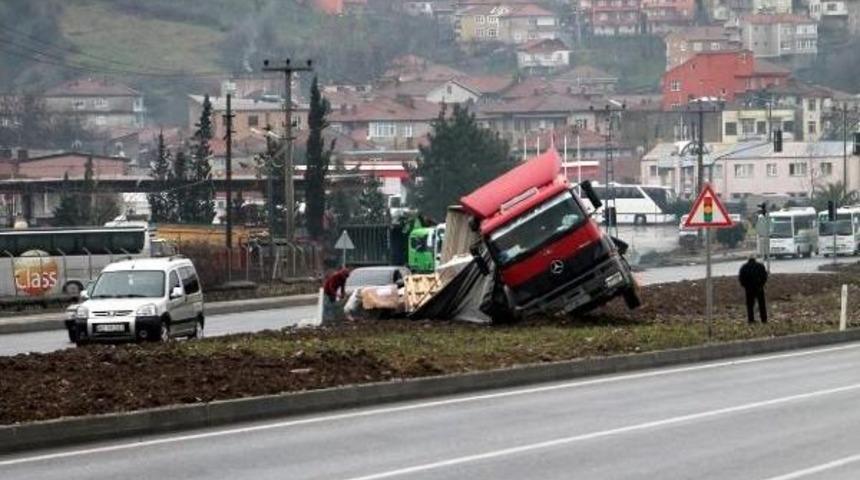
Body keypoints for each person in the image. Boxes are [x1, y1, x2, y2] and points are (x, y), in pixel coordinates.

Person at [738, 257, 768, 324]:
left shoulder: (744, 267)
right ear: (755, 260)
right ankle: (764, 319)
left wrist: (745, 286)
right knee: (762, 304)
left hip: (749, 289)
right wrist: (762, 284)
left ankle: (751, 319)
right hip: (759, 287)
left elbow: (741, 278)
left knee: (750, 305)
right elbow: (765, 276)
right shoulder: (760, 266)